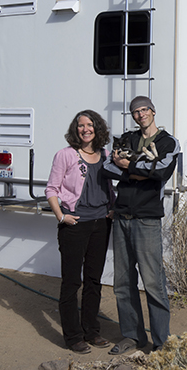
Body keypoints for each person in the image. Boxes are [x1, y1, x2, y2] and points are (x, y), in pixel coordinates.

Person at [101, 95, 180, 355]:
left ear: (153, 111)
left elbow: (161, 171)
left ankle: (161, 342)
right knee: (123, 283)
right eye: (135, 111)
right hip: (122, 217)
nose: (140, 114)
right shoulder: (127, 139)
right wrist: (137, 170)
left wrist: (129, 164)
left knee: (153, 282)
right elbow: (106, 167)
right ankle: (133, 337)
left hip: (147, 219)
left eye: (144, 109)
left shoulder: (168, 142)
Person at [45, 110, 115, 354]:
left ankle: (91, 331)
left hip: (101, 224)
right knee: (72, 282)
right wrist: (62, 216)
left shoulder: (105, 155)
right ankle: (73, 336)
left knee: (94, 281)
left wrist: (112, 208)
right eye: (80, 125)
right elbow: (51, 189)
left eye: (90, 124)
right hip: (75, 226)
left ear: (98, 128)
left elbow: (108, 186)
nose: (85, 129)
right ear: (75, 130)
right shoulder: (65, 155)